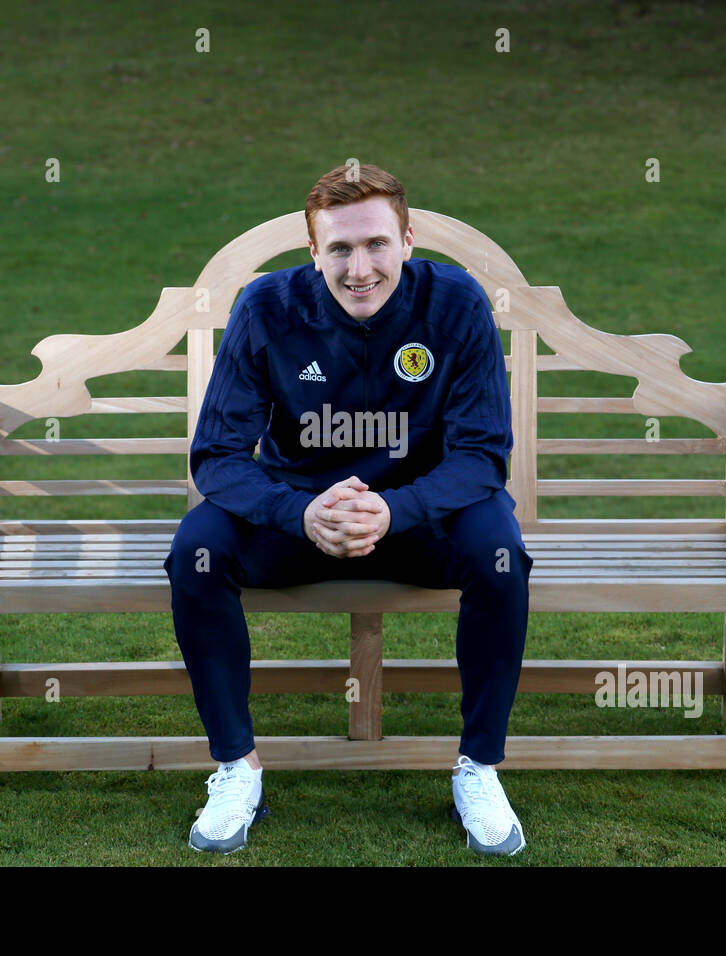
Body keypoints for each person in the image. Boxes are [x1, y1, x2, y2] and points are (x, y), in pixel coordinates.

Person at [163, 164, 533, 856]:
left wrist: (395, 509)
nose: (359, 269)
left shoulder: (456, 304)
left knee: (499, 556)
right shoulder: (266, 308)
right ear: (314, 252)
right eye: (339, 249)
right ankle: (237, 766)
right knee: (198, 552)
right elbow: (216, 455)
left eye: (376, 245)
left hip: (419, 519)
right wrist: (300, 513)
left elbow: (482, 454)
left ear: (408, 241)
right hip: (299, 518)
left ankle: (479, 766)